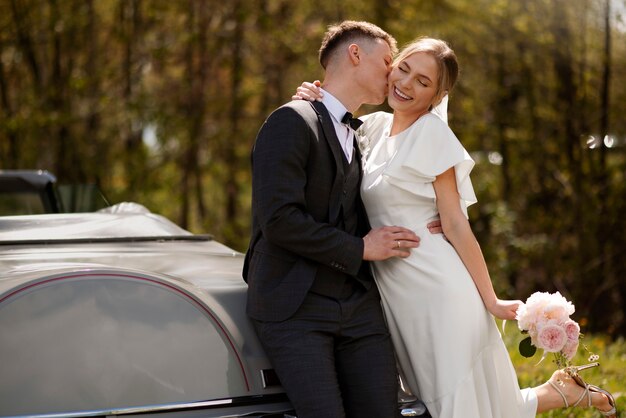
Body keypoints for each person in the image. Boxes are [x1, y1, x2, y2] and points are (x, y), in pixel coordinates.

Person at [294, 36, 617, 418]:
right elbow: (332, 133)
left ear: (437, 96)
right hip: (396, 293)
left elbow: (456, 225)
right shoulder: (373, 127)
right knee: (448, 399)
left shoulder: (432, 135)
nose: (407, 84)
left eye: (423, 82)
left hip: (437, 290)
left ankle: (563, 392)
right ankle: (562, 392)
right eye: (404, 69)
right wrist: (312, 96)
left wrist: (492, 300)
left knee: (454, 402)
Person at [243, 21, 443, 418]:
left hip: (358, 306)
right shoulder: (291, 121)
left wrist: (431, 219)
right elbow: (280, 220)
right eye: (388, 61)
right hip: (295, 307)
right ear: (355, 54)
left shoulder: (364, 131)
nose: (393, 73)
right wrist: (361, 248)